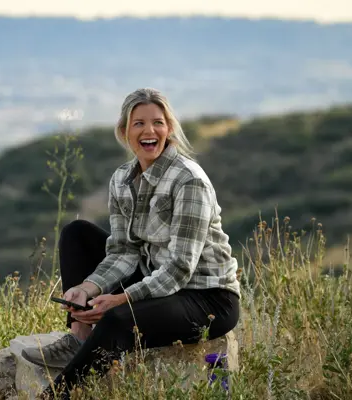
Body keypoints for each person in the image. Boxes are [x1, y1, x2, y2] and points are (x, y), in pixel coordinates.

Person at [22, 88, 241, 399]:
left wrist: (121, 300)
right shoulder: (122, 179)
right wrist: (89, 288)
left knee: (117, 320)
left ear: (169, 129)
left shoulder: (189, 180)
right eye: (138, 123)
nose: (149, 131)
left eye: (158, 123)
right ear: (124, 131)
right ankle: (79, 336)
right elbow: (124, 251)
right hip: (156, 275)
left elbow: (179, 269)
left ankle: (58, 395)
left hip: (206, 298)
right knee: (77, 233)